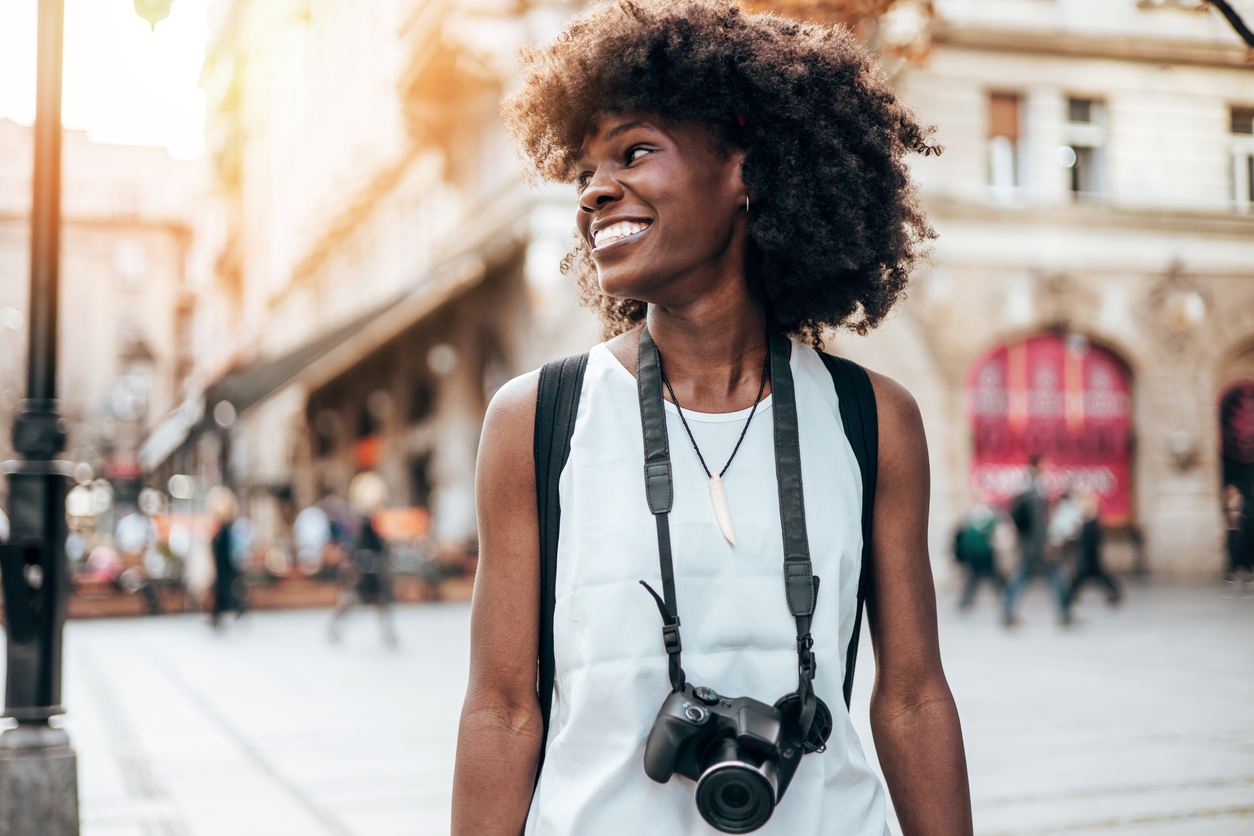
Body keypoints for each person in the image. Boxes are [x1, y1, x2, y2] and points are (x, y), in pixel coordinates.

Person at [452, 3, 971, 835]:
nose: (593, 192)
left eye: (634, 151)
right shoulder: (536, 418)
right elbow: (503, 708)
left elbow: (912, 698)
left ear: (746, 173)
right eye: (584, 170)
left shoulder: (874, 419)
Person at [328, 472, 397, 646]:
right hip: (361, 567)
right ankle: (334, 627)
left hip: (373, 568)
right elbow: (352, 545)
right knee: (353, 601)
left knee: (380, 601)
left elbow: (378, 545)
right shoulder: (355, 520)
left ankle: (387, 634)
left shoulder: (370, 521)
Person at [1003, 459, 1070, 625]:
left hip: (1029, 546)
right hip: (1036, 546)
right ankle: (1065, 614)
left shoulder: (1027, 489)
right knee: (1053, 577)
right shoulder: (1036, 493)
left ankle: (1007, 611)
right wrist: (1045, 544)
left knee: (1023, 578)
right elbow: (1038, 524)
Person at [1065, 490, 1120, 608]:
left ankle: (1068, 596)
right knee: (1097, 578)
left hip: (1089, 558)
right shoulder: (1090, 523)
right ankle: (1115, 595)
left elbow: (1090, 543)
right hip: (1091, 557)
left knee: (1082, 579)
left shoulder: (1090, 524)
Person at [206, 485, 245, 627]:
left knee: (226, 586)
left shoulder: (225, 530)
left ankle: (230, 610)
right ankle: (224, 611)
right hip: (223, 564)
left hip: (225, 564)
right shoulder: (223, 530)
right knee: (225, 586)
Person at [954, 503, 1005, 609]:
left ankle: (966, 600)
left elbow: (962, 534)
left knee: (974, 577)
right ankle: (1003, 595)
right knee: (992, 575)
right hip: (985, 551)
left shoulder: (970, 518)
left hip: (972, 552)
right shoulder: (990, 518)